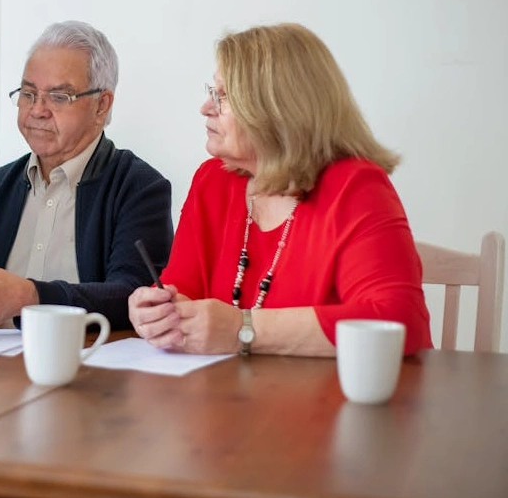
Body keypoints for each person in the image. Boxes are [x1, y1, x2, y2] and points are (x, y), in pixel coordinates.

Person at [129, 23, 432, 356]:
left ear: (276, 109)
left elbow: (399, 321)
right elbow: (184, 289)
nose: (205, 107)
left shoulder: (356, 186)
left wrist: (242, 329)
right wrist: (160, 313)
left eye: (223, 96)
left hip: (337, 400)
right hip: (229, 399)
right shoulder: (213, 180)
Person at [0, 20, 173, 331]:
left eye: (58, 97)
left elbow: (136, 297)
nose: (37, 110)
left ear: (101, 105)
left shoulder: (138, 188)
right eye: (28, 93)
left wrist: (30, 296)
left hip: (88, 365)